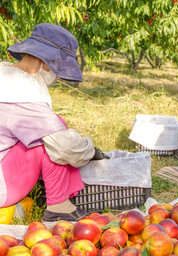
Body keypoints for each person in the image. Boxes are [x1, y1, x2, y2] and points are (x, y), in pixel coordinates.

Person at [0, 23, 108, 222]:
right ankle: (58, 206)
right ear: (47, 63)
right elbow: (65, 146)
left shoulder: (4, 74)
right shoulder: (22, 93)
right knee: (51, 135)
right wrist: (90, 150)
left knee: (51, 129)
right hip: (3, 187)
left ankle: (61, 202)